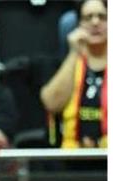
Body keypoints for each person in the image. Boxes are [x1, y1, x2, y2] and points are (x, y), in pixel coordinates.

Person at [40, 0, 107, 149]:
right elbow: (51, 104)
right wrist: (74, 53)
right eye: (88, 17)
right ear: (78, 24)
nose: (95, 22)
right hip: (72, 158)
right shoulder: (66, 62)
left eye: (102, 17)